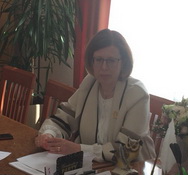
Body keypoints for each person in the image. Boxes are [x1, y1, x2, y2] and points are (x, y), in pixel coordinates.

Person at [35, 29, 154, 162]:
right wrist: (49, 135)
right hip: (91, 166)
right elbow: (64, 119)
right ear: (91, 61)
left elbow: (126, 151)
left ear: (123, 62)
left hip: (131, 169)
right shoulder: (90, 83)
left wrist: (79, 149)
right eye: (99, 59)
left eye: (111, 60)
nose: (104, 67)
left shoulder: (137, 94)